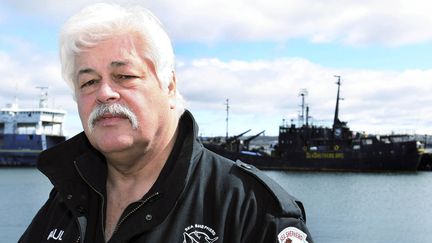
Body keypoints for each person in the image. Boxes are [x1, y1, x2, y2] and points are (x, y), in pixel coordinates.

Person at [19, 3, 313, 243]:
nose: (104, 93)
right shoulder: (65, 200)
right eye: (89, 81)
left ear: (169, 86)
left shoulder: (252, 210)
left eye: (124, 76)